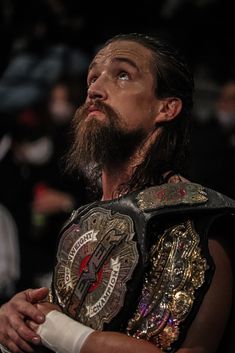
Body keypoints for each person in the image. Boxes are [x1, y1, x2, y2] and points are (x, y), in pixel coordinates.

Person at [0, 33, 234, 353]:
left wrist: (63, 332)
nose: (94, 90)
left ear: (166, 107)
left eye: (122, 74)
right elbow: (57, 318)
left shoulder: (195, 223)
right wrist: (18, 319)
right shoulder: (83, 220)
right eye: (92, 77)